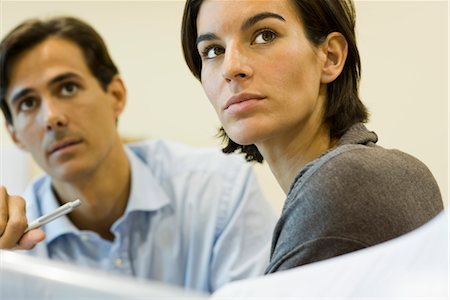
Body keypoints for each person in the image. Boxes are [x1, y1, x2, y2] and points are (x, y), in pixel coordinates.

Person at [0, 16, 277, 293]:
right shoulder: (12, 250)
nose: (51, 118)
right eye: (27, 104)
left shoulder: (220, 190)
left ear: (116, 95)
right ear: (13, 133)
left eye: (68, 88)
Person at [181, 0, 444, 274]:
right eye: (213, 51)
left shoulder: (347, 182)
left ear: (330, 57)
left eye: (264, 36)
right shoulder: (389, 171)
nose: (231, 68)